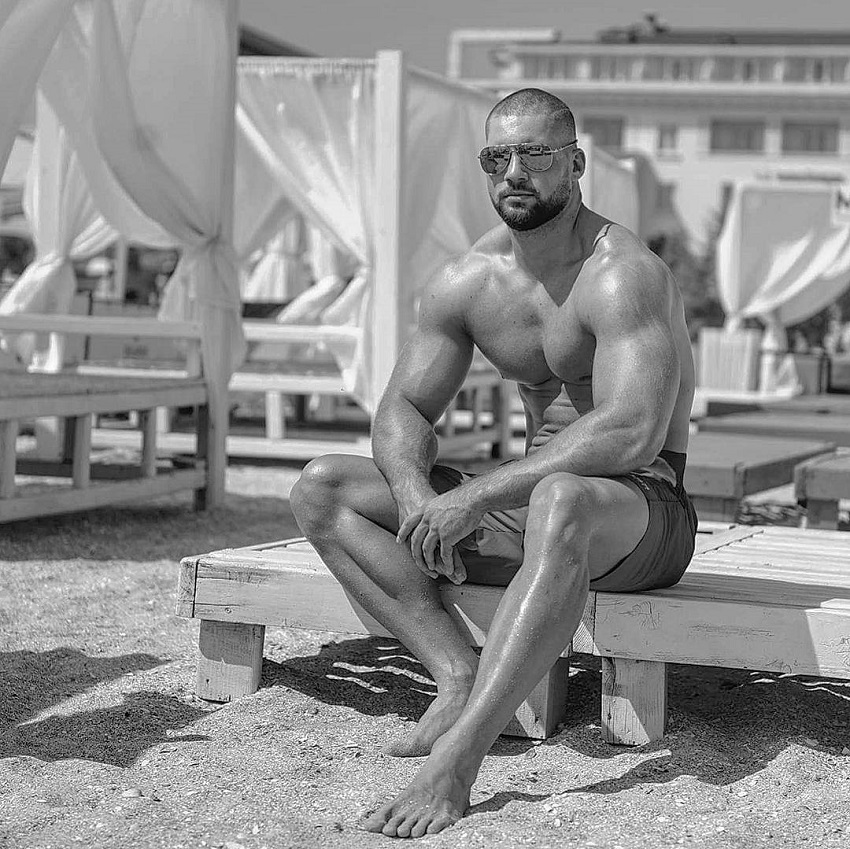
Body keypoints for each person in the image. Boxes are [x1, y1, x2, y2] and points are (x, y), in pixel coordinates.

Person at [290, 88, 697, 839]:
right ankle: (453, 670)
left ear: (574, 164)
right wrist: (416, 495)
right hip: (536, 505)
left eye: (536, 154)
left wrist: (473, 495)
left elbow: (634, 429)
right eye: (496, 156)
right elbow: (403, 408)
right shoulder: (471, 280)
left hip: (644, 512)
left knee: (563, 499)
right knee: (323, 488)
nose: (515, 170)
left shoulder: (623, 272)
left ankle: (458, 762)